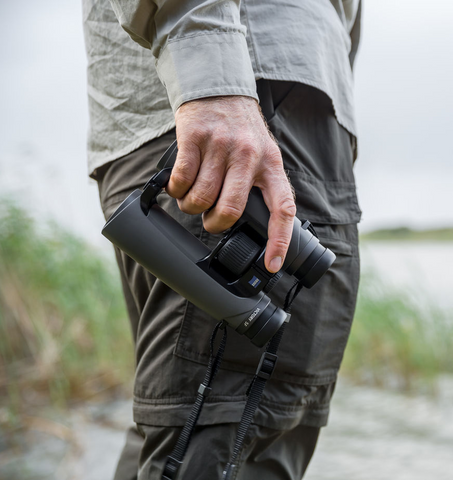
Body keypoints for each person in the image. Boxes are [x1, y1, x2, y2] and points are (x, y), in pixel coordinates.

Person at [82, 0, 362, 478]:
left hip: (188, 106)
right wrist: (213, 83)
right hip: (246, 97)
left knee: (176, 421)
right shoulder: (227, 98)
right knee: (231, 425)